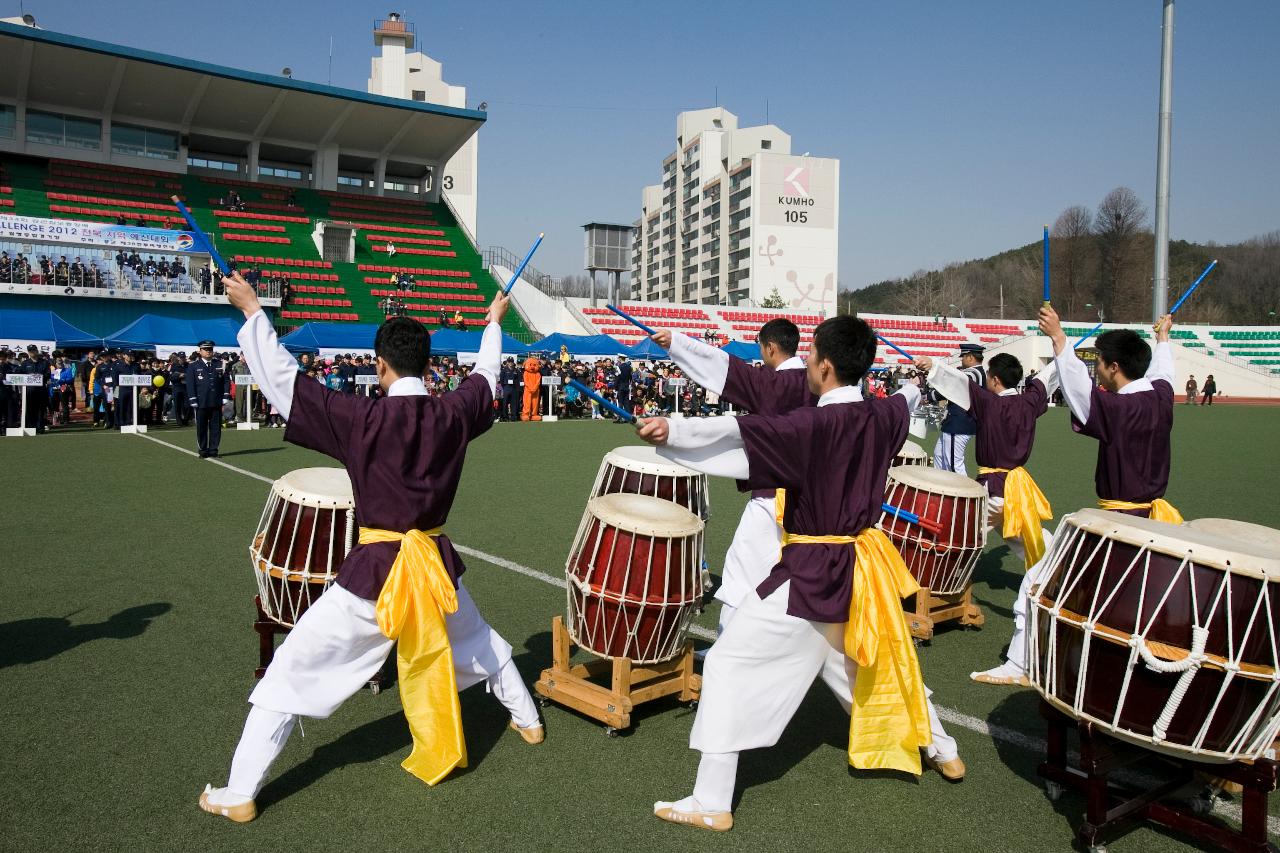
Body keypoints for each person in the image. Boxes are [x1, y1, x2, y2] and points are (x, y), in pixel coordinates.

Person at [199, 272, 542, 824]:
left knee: (289, 672)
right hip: (434, 569)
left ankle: (240, 792)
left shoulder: (361, 417)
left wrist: (254, 314)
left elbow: (285, 384)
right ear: (428, 366)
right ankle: (527, 720)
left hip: (373, 577)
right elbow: (486, 375)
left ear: (380, 365)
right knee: (476, 639)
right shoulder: (453, 413)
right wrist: (494, 324)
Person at [638, 316, 955, 832]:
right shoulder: (887, 415)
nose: (805, 360)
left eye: (810, 355)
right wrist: (922, 383)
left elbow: (744, 437)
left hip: (812, 575)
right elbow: (911, 402)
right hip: (861, 568)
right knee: (856, 667)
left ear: (826, 366)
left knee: (725, 664)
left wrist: (674, 431)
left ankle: (711, 800)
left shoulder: (811, 426)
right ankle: (944, 746)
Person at [971, 306, 1180, 688]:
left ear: (1114, 366)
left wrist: (1058, 339)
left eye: (1099, 362)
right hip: (1154, 521)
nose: (1097, 369)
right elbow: (1164, 372)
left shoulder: (1119, 407)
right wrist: (1163, 340)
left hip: (1119, 525)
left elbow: (1080, 394)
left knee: (1039, 580)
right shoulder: (1161, 397)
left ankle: (1020, 664)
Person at [914, 352, 1056, 570]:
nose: (986, 379)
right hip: (1016, 492)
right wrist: (1062, 354)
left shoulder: (988, 403)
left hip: (994, 490)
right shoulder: (1028, 402)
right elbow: (1043, 380)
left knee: (957, 529)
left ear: (996, 380)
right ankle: (1057, 566)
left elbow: (960, 383)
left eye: (989, 376)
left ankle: (931, 573)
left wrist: (933, 364)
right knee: (1023, 535)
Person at [930, 343, 985, 474]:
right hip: (955, 423)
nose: (962, 359)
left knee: (954, 465)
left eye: (963, 357)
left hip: (960, 424)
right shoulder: (975, 373)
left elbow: (951, 387)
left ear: (970, 357)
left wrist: (928, 396)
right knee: (939, 456)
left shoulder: (973, 373)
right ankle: (940, 488)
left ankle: (964, 494)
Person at [186, 340, 231, 458]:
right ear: (200, 351)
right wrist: (192, 399)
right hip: (201, 401)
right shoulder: (193, 366)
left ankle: (213, 450)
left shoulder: (220, 364)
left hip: (216, 400)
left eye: (210, 349)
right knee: (201, 427)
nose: (208, 352)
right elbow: (190, 384)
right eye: (206, 349)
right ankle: (203, 450)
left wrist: (226, 395)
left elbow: (226, 380)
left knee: (216, 427)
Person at [521, 352, 542, 421]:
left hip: (536, 390)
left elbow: (538, 382)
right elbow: (526, 382)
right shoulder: (526, 373)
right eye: (530, 365)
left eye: (534, 365)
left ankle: (534, 414)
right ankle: (526, 414)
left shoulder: (538, 374)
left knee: (535, 403)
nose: (532, 367)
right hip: (528, 390)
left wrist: (534, 388)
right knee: (527, 402)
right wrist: (531, 388)